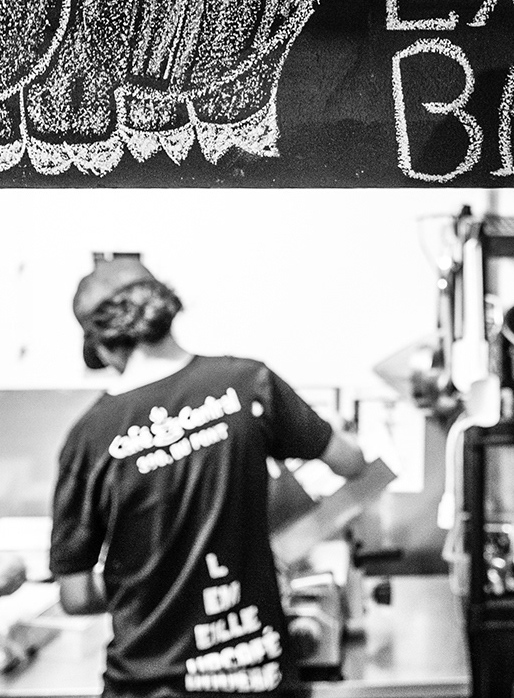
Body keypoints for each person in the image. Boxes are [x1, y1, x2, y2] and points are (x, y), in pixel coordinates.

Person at [50, 255, 369, 697]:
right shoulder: (249, 383)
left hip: (146, 686)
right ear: (164, 313)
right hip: (255, 677)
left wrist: (151, 578)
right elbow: (351, 462)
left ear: (102, 345)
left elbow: (76, 596)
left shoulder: (88, 439)